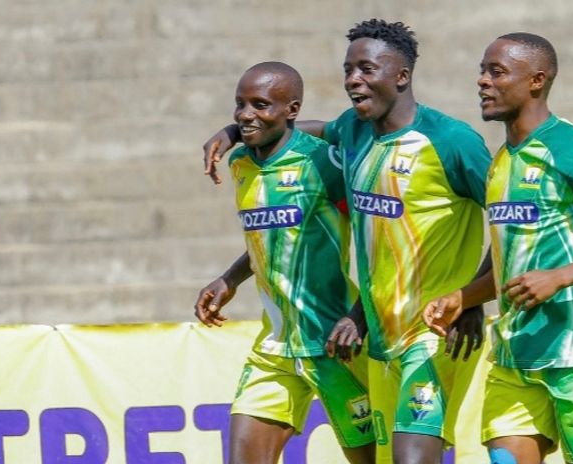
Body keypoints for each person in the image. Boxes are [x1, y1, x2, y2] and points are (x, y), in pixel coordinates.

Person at [202, 19, 492, 464]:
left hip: (434, 329)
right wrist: (235, 130)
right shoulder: (352, 133)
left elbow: (510, 222)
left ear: (401, 76)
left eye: (367, 69)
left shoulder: (451, 141)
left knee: (411, 458)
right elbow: (302, 133)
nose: (353, 80)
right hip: (372, 334)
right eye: (348, 70)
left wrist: (473, 298)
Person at [422, 33, 573, 464]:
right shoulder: (502, 161)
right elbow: (514, 263)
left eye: (496, 72)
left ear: (536, 80)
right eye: (482, 70)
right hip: (515, 355)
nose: (482, 81)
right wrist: (462, 298)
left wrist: (561, 277)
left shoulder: (572, 147)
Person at [193, 61, 375, 464]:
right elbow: (274, 235)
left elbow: (377, 239)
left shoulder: (324, 163)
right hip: (275, 346)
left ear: (291, 110)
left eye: (260, 104)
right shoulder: (241, 164)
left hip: (335, 343)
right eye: (239, 104)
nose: (244, 115)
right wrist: (230, 279)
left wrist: (360, 316)